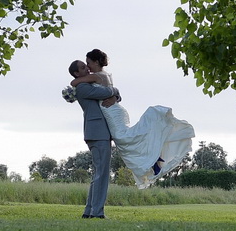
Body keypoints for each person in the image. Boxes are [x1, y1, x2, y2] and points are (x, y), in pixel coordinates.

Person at [69, 49, 195, 190]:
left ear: (96, 62)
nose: (87, 67)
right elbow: (108, 89)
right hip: (115, 109)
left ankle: (153, 159)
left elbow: (74, 82)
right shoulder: (105, 75)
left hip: (111, 111)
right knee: (127, 139)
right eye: (84, 66)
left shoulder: (96, 76)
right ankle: (153, 160)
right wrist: (115, 94)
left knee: (124, 139)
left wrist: (75, 84)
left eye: (88, 63)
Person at [67, 57, 121, 219]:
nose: (87, 69)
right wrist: (115, 91)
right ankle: (97, 212)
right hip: (97, 133)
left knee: (98, 173)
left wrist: (115, 96)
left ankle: (89, 210)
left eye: (86, 66)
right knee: (102, 174)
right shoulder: (83, 87)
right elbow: (106, 92)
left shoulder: (88, 84)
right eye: (83, 68)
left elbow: (111, 96)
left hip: (99, 132)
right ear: (76, 73)